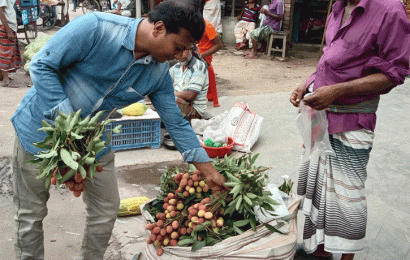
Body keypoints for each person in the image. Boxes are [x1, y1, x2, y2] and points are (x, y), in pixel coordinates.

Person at [10, 0, 227, 258]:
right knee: (31, 214)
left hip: (92, 141)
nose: (180, 55)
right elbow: (41, 66)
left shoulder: (157, 73)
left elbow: (176, 122)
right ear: (158, 28)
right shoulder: (95, 28)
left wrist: (207, 169)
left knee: (106, 208)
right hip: (38, 131)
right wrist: (71, 131)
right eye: (179, 47)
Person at [289, 0, 410, 259]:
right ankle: (319, 251)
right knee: (318, 189)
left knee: (346, 200)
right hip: (319, 120)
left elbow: (395, 74)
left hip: (352, 122)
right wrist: (306, 82)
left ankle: (346, 256)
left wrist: (337, 91)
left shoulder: (389, 10)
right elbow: (329, 57)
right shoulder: (337, 7)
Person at [170, 48, 209, 121]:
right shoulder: (176, 67)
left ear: (190, 50)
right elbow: (163, 83)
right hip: (180, 104)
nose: (181, 55)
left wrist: (169, 94)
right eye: (178, 51)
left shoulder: (198, 67)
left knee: (168, 99)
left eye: (184, 50)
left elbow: (190, 95)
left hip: (194, 111)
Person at [197, 19, 222, 107]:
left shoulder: (207, 26)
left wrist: (202, 55)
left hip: (203, 58)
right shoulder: (191, 24)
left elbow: (219, 45)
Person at [0, 0, 22, 88]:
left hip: (10, 26)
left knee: (8, 52)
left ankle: (3, 75)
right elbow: (1, 12)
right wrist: (8, 30)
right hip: (6, 27)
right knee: (6, 53)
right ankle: (5, 78)